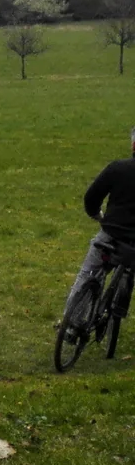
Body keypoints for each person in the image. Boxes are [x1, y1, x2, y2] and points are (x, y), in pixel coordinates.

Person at [62, 128, 135, 327]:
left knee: (88, 273)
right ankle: (117, 309)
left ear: (133, 145)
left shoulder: (117, 168)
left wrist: (97, 215)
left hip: (110, 236)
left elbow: (91, 198)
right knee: (128, 271)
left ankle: (71, 323)